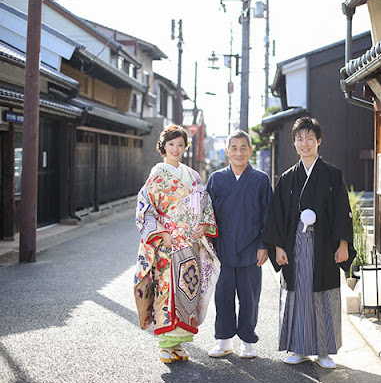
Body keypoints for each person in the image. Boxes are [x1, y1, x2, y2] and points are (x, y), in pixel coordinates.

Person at [262, 117, 355, 369]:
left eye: (309, 138)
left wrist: (343, 244)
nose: (305, 143)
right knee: (298, 295)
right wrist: (278, 246)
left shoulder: (333, 175)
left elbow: (341, 211)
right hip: (294, 245)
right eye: (300, 139)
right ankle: (298, 348)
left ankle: (324, 352)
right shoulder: (287, 178)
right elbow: (277, 215)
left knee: (323, 295)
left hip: (323, 245)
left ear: (319, 141)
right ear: (294, 143)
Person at [134, 124, 220, 364]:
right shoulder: (158, 173)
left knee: (188, 292)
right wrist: (161, 232)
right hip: (168, 244)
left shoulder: (192, 175)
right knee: (167, 292)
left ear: (185, 147)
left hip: (191, 243)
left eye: (180, 144)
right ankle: (165, 344)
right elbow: (146, 207)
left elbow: (205, 203)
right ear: (163, 147)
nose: (176, 148)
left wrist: (204, 224)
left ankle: (179, 343)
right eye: (171, 144)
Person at [206, 130, 272, 359]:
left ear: (250, 151)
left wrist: (264, 245)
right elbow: (207, 215)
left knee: (249, 296)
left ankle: (247, 340)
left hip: (251, 249)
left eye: (243, 147)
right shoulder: (216, 179)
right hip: (222, 248)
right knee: (223, 296)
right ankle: (224, 341)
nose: (239, 152)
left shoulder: (261, 179)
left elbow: (268, 216)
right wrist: (207, 246)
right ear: (227, 151)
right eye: (234, 148)